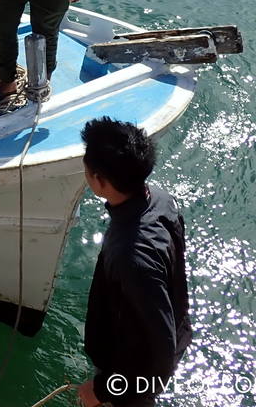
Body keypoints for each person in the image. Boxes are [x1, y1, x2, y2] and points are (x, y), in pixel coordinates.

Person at [77, 117, 192, 407]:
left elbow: (159, 353)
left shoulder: (133, 256)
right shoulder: (160, 201)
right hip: (137, 357)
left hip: (131, 380)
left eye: (87, 170)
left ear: (100, 181)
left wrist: (104, 390)